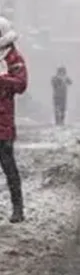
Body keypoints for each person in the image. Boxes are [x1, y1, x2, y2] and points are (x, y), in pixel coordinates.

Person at [0, 18, 27, 223]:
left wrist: (1, 80)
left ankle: (18, 208)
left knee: (9, 166)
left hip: (3, 121)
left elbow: (21, 83)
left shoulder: (13, 58)